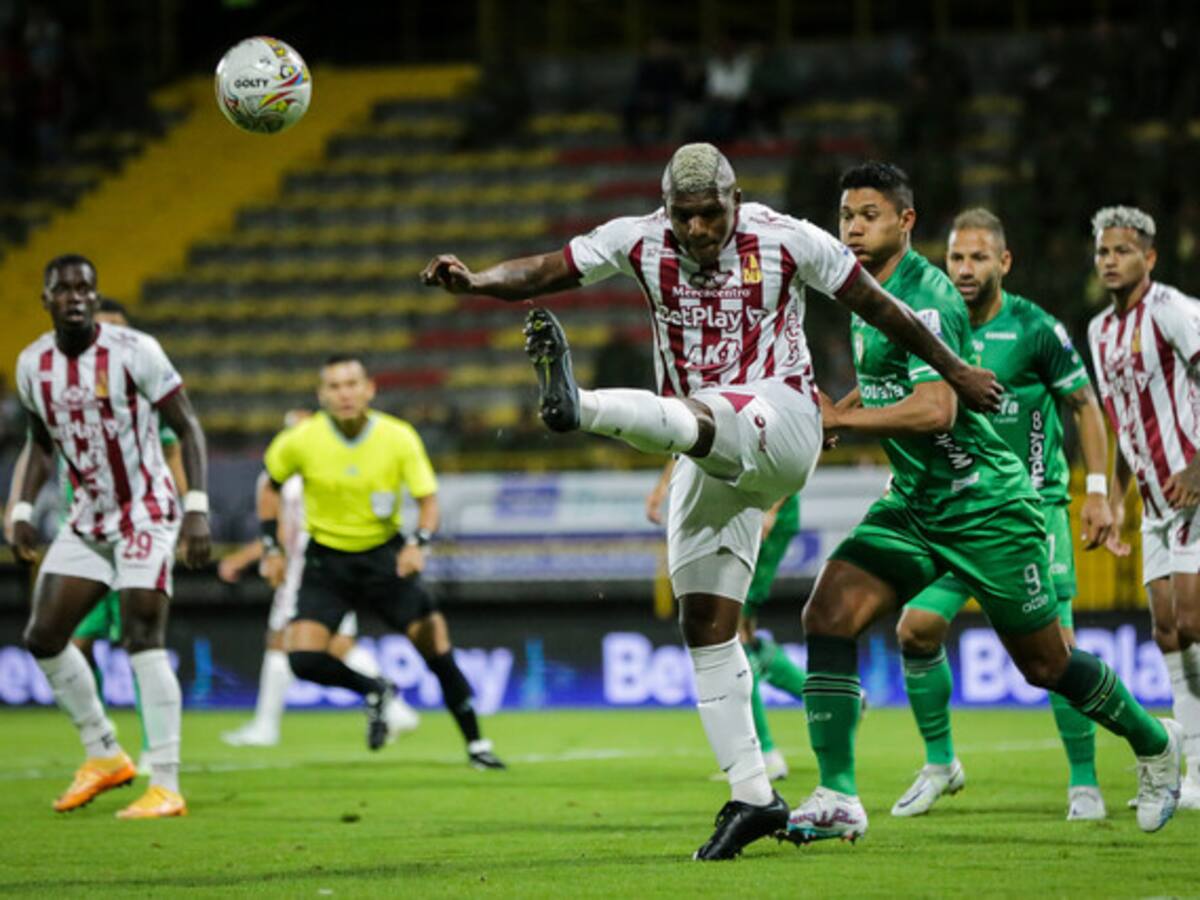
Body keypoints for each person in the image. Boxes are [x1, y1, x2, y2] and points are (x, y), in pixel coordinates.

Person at [421, 142, 1004, 860]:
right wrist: (477, 282)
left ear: (735, 199)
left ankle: (582, 406)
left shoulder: (787, 239)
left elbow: (883, 310)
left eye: (710, 214)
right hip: (705, 448)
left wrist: (956, 370)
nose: (697, 230)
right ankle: (754, 795)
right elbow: (549, 269)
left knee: (700, 414)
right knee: (706, 624)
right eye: (684, 215)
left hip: (784, 419)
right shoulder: (639, 238)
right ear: (667, 207)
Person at [781, 163, 1181, 847]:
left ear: (905, 222)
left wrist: (837, 425)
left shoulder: (927, 296)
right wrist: (836, 413)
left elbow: (937, 410)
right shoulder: (865, 292)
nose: (851, 226)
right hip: (917, 503)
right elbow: (882, 388)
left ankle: (1154, 741)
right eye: (845, 213)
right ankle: (839, 795)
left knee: (1047, 665)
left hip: (986, 507)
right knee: (829, 612)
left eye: (868, 214)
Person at [890, 208, 1115, 822]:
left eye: (977, 258)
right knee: (915, 629)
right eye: (956, 258)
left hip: (1028, 511)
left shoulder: (1036, 329)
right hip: (958, 510)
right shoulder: (934, 329)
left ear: (1003, 263)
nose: (964, 269)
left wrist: (1096, 489)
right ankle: (941, 764)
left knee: (1057, 651)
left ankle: (1085, 782)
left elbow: (1084, 406)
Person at [10, 254, 209, 818]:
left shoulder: (135, 352)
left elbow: (188, 426)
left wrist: (196, 506)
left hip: (146, 510)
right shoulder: (32, 365)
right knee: (43, 637)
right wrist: (21, 506)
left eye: (85, 288)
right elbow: (40, 444)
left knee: (143, 635)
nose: (74, 297)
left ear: (97, 297)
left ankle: (165, 783)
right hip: (87, 519)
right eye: (62, 289)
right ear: (45, 300)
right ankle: (104, 753)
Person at [259, 355, 503, 769]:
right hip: (328, 563)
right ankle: (376, 690)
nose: (345, 393)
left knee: (436, 648)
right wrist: (271, 547)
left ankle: (477, 745)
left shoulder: (398, 436)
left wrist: (418, 543)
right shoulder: (301, 439)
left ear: (369, 389)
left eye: (352, 384)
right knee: (300, 658)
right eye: (334, 386)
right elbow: (271, 486)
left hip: (384, 558)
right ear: (322, 395)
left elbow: (428, 501)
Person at [1087, 205, 1200, 809]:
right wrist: (1116, 502)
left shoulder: (1174, 311)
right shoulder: (1099, 331)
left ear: (1149, 258)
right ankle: (1193, 773)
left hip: (1196, 489)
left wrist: (1198, 465)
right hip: (1155, 503)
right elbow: (1122, 422)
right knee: (1166, 631)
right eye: (1103, 251)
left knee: (1193, 620)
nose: (1110, 261)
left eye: (1122, 251)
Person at [219, 411, 418, 747]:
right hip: (335, 565)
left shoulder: (290, 481)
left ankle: (267, 728)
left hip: (309, 572)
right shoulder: (327, 471)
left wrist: (247, 558)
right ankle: (395, 708)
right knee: (332, 644)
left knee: (290, 642)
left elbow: (283, 531)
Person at [648, 458, 806, 781]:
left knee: (731, 629)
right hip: (735, 506)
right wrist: (662, 488)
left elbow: (791, 449)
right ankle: (829, 697)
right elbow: (685, 435)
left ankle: (764, 753)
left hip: (759, 509)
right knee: (741, 631)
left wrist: (771, 509)